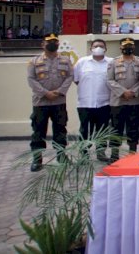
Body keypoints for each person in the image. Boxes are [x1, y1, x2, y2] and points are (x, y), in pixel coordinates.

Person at [27, 33, 73, 171]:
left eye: (55, 42)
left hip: (59, 102)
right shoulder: (34, 61)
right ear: (43, 44)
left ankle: (61, 155)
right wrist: (45, 93)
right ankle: (37, 159)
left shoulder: (65, 60)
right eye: (49, 42)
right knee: (38, 131)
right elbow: (31, 79)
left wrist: (59, 92)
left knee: (60, 130)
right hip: (41, 102)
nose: (52, 44)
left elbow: (70, 76)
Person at [73, 38, 113, 162]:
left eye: (101, 46)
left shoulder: (111, 62)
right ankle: (84, 154)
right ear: (91, 48)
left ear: (105, 48)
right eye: (95, 46)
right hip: (85, 103)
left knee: (102, 129)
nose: (98, 48)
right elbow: (76, 80)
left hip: (104, 102)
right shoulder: (82, 62)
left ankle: (100, 153)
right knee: (85, 130)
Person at [107, 37, 139, 162]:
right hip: (118, 101)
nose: (127, 48)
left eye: (130, 45)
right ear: (120, 47)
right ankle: (114, 154)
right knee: (116, 127)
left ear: (134, 47)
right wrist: (123, 92)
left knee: (133, 126)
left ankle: (132, 152)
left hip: (134, 100)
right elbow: (109, 80)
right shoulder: (113, 62)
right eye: (125, 46)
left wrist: (133, 92)